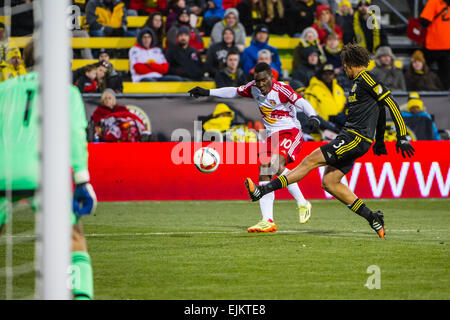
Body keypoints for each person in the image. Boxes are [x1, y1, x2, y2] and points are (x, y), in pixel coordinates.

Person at [244, 43, 416, 239]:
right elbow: (377, 109)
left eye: (344, 64)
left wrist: (402, 136)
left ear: (351, 63)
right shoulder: (358, 83)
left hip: (354, 137)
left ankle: (262, 190)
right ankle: (373, 217)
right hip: (353, 138)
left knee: (310, 160)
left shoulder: (367, 79)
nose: (343, 68)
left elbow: (390, 103)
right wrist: (378, 140)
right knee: (330, 182)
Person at [0, 40, 96, 300]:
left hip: (1, 173)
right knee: (74, 237)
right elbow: (76, 136)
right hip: (41, 173)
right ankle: (82, 297)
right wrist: (81, 179)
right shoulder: (66, 92)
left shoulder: (4, 89)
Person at [189, 62, 320, 232]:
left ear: (271, 77)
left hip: (290, 132)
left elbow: (302, 102)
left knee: (275, 164)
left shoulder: (282, 89)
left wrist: (313, 116)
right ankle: (268, 220)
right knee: (265, 169)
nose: (261, 84)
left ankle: (302, 203)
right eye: (257, 81)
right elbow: (233, 91)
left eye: (264, 80)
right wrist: (207, 92)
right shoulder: (253, 88)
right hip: (272, 136)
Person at [420, 0, 450, 90]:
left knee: (422, 69)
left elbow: (424, 21)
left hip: (433, 45)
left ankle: (421, 89)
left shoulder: (434, 1)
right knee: (446, 76)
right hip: (448, 46)